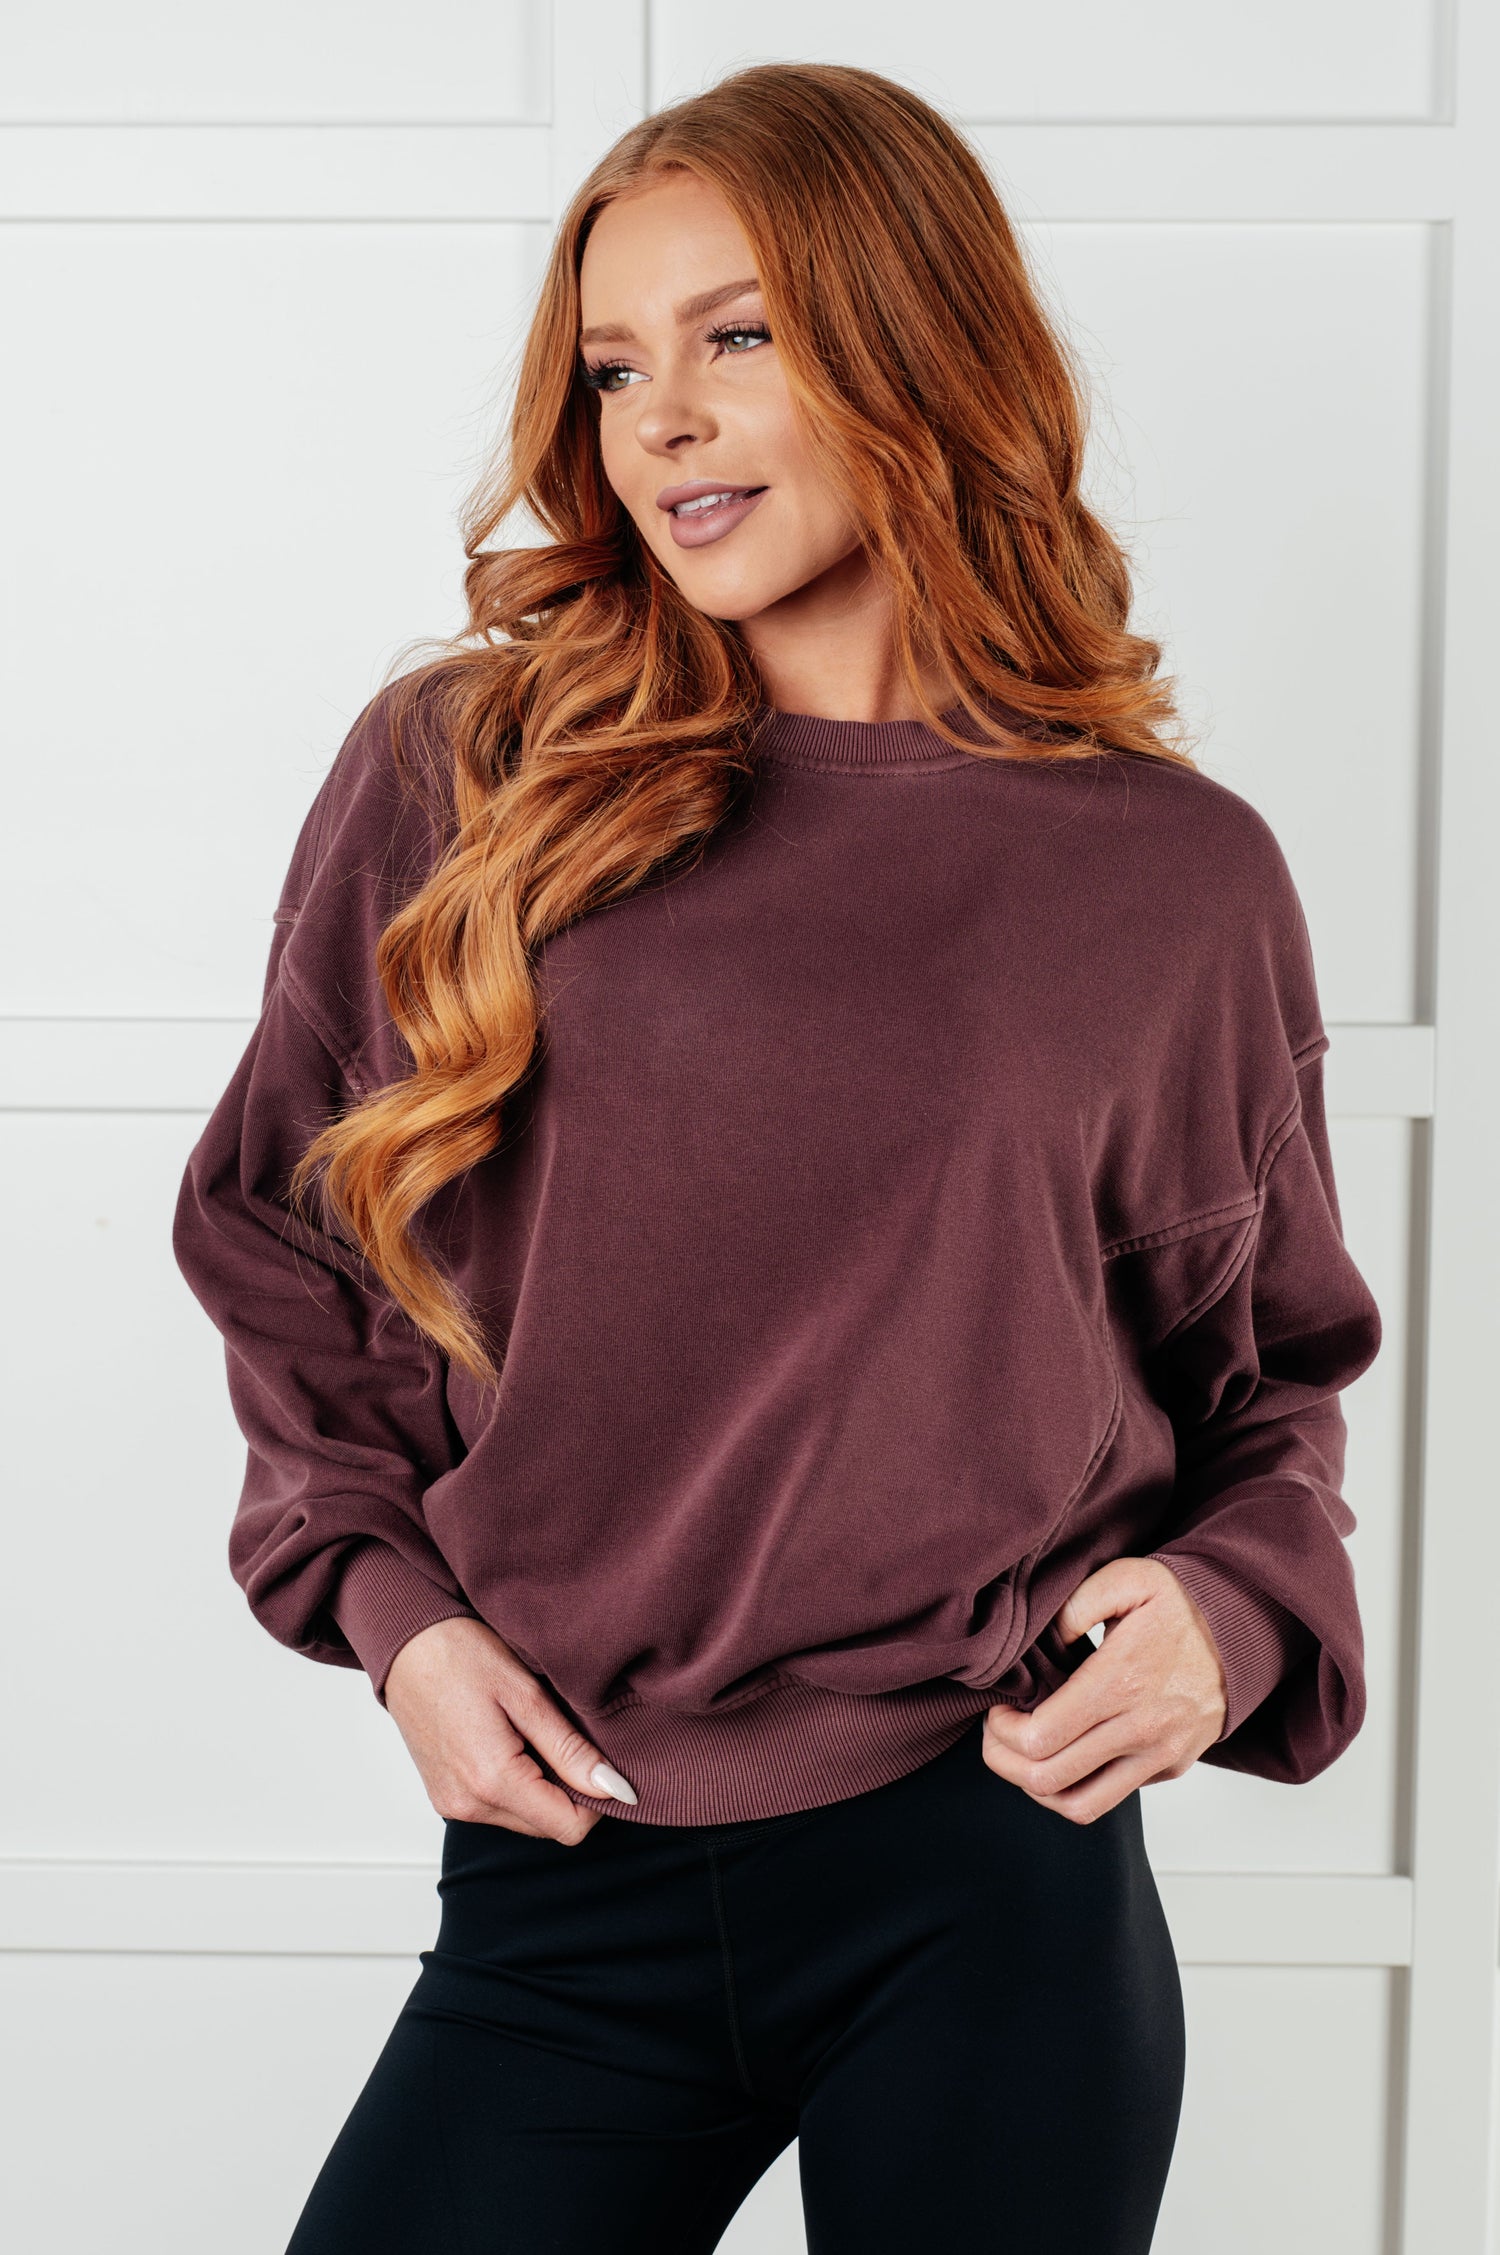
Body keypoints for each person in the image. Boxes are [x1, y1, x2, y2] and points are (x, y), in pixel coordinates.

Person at [172, 60, 1383, 2255]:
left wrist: (1232, 1607)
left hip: (986, 1872)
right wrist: (398, 1623)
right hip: (558, 1869)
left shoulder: (1172, 875)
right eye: (614, 367)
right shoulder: (468, 770)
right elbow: (284, 1235)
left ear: (917, 343)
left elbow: (1261, 1378)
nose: (665, 420)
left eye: (738, 335)